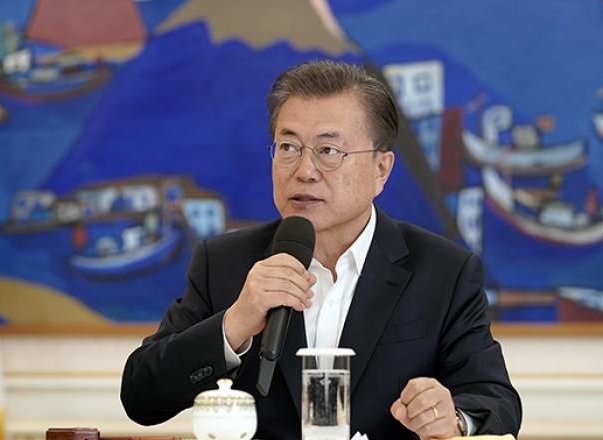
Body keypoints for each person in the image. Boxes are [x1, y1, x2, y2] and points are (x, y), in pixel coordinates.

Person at [121, 60, 522, 439]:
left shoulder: (444, 270)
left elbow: (497, 401)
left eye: (328, 151)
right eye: (288, 147)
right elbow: (141, 396)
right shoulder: (225, 262)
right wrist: (235, 324)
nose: (304, 171)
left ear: (381, 169)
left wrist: (454, 417)